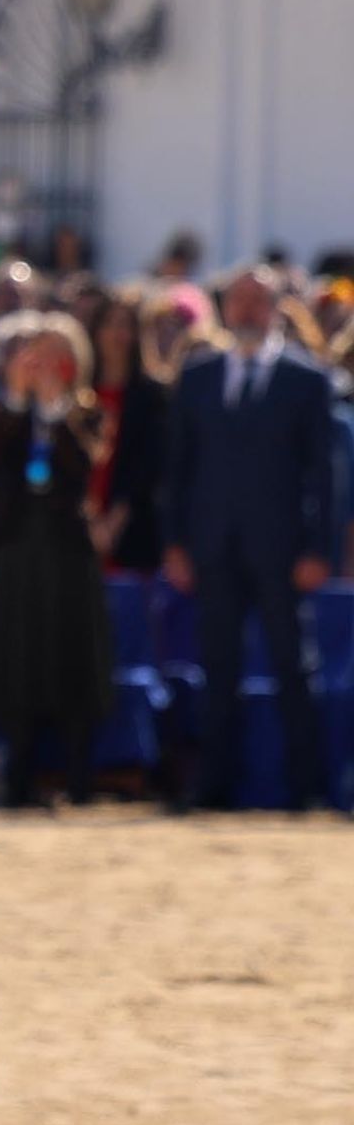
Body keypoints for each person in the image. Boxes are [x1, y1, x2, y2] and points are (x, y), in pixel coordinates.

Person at [163, 264, 334, 810]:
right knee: (218, 669)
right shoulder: (198, 376)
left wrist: (319, 549)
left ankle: (304, 788)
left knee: (292, 667)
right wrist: (176, 543)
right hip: (213, 546)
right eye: (237, 301)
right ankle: (214, 787)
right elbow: (179, 471)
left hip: (282, 551)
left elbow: (326, 477)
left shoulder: (306, 379)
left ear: (277, 307)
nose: (246, 312)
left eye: (257, 302)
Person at [0, 313, 114, 806]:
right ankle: (17, 777)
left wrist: (56, 406)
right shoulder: (8, 412)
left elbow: (83, 466)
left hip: (67, 554)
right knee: (18, 661)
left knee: (71, 659)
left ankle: (77, 778)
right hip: (18, 549)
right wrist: (17, 395)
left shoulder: (87, 413)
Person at [84, 286, 167, 573]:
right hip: (79, 525)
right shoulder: (79, 392)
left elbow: (147, 468)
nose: (117, 335)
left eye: (126, 326)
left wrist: (113, 523)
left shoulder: (155, 397)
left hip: (132, 531)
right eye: (109, 324)